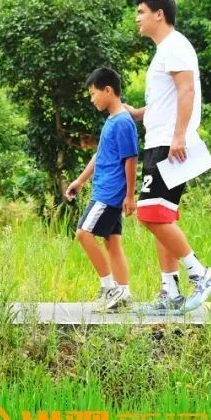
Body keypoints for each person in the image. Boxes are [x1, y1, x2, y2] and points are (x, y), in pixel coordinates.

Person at [125, 0, 211, 313]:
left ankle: (201, 274)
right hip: (159, 140)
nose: (137, 18)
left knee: (150, 213)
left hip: (170, 144)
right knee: (161, 215)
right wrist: (137, 113)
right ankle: (170, 293)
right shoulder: (164, 50)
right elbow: (163, 102)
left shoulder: (175, 45)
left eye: (141, 11)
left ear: (158, 14)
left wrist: (179, 135)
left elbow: (186, 90)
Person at [65, 67, 139, 312]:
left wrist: (130, 195)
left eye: (94, 93)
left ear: (108, 90)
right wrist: (80, 180)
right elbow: (101, 154)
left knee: (83, 234)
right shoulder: (112, 119)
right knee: (112, 242)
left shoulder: (123, 123)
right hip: (105, 190)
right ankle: (124, 293)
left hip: (109, 194)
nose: (92, 99)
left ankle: (109, 287)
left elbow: (131, 159)